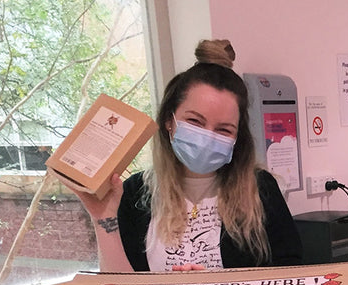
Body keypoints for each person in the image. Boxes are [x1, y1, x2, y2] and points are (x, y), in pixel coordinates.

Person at [68, 39, 302, 271]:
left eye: (223, 129)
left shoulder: (261, 190)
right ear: (169, 121)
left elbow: (292, 279)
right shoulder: (134, 193)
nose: (207, 137)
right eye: (195, 121)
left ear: (238, 138)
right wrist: (103, 218)